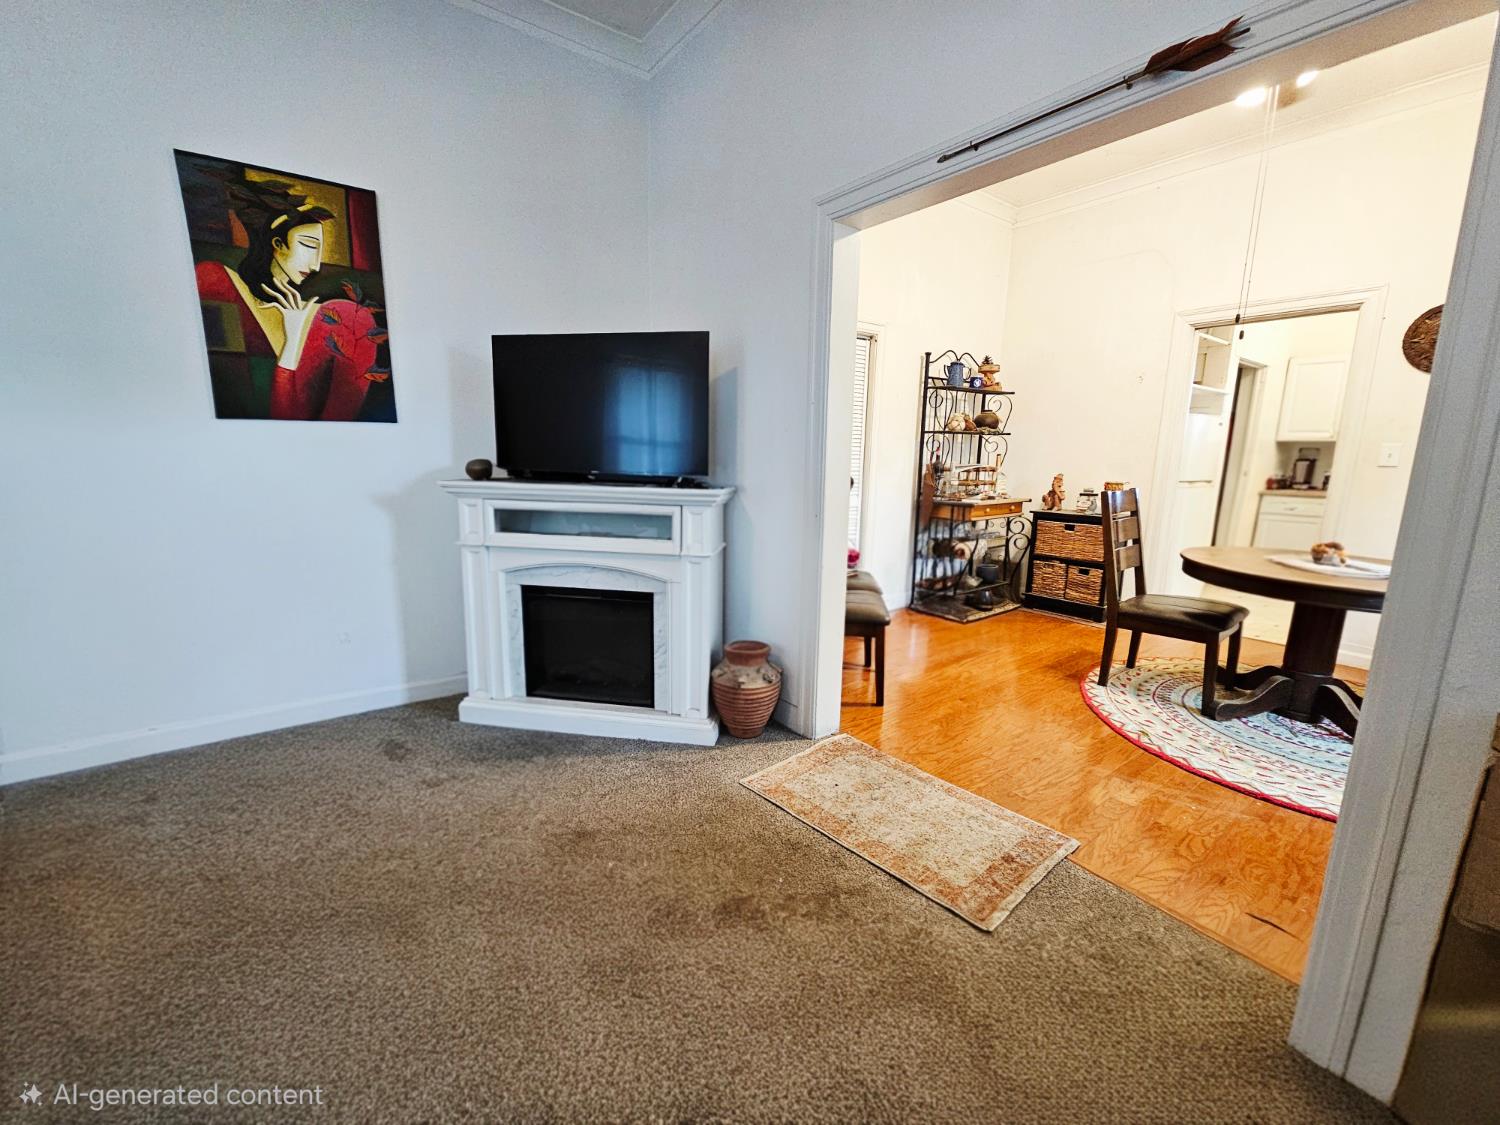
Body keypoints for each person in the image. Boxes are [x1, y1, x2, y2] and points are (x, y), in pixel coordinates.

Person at [194, 177, 387, 420]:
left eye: (320, 251)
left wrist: (294, 338)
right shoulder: (216, 281)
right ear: (277, 244)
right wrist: (291, 341)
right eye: (308, 246)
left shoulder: (344, 318)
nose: (315, 265)